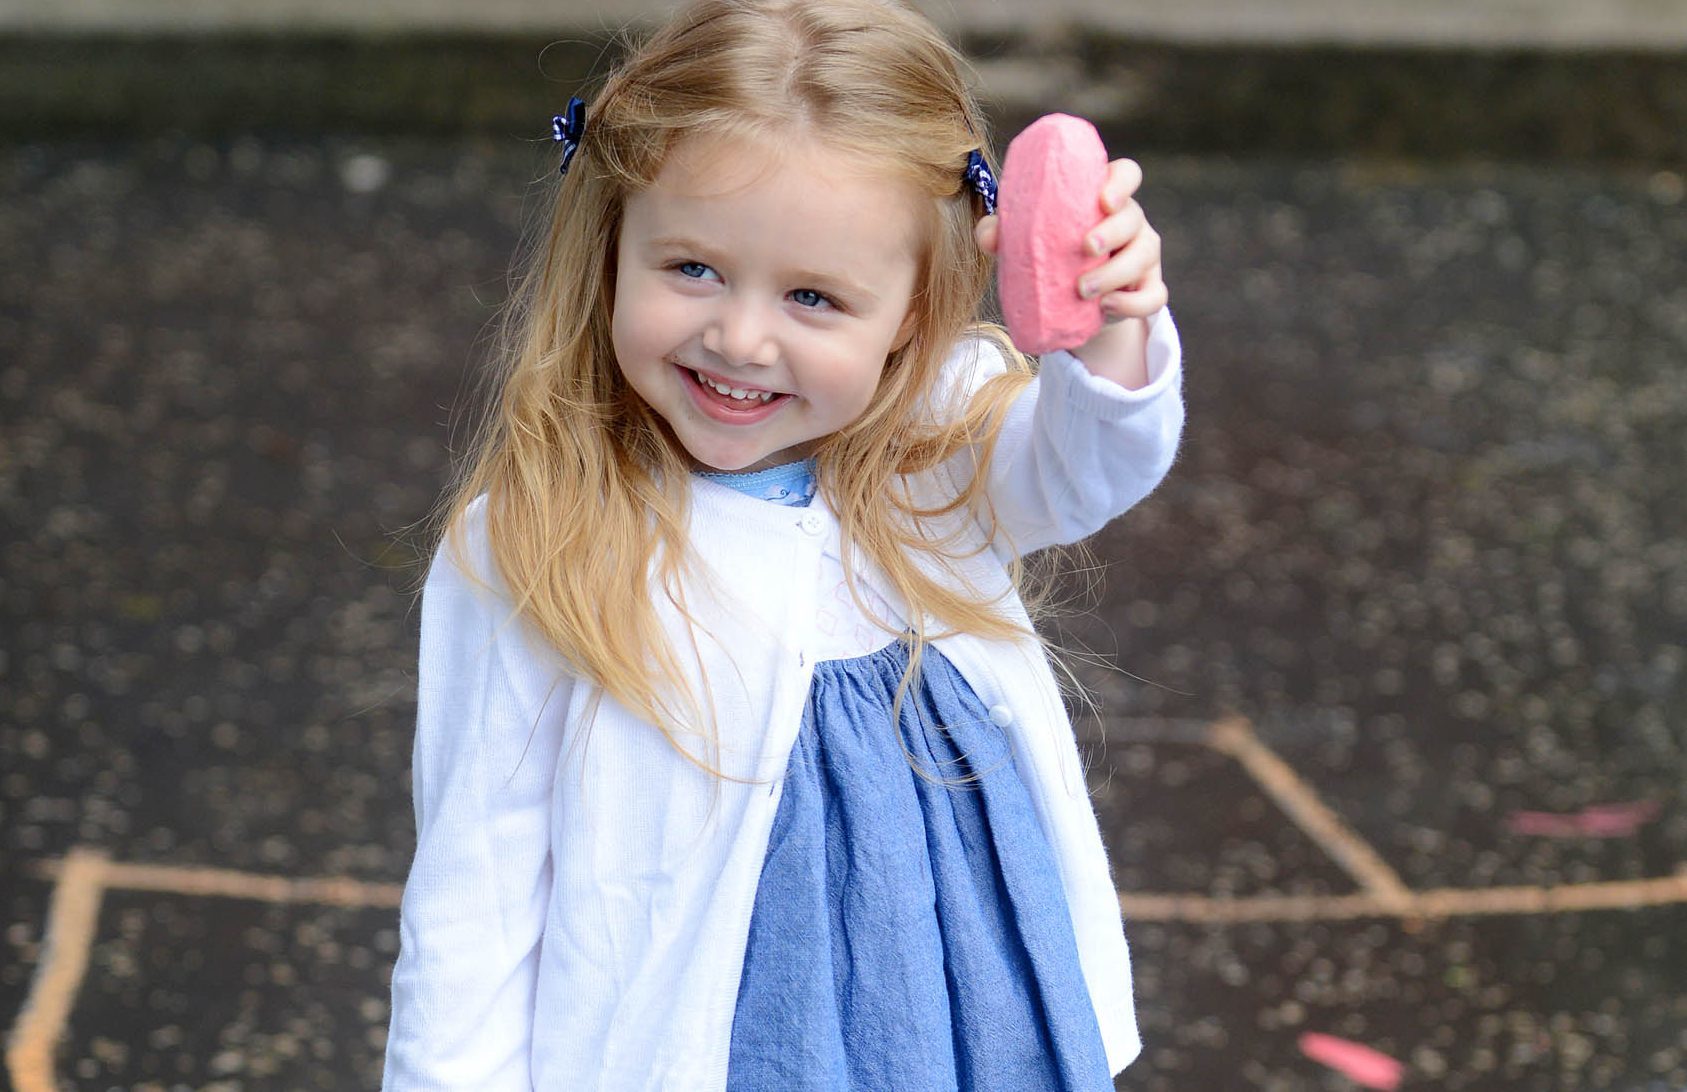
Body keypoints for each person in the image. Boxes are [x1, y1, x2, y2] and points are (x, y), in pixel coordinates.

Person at [381, 0, 1183, 1088]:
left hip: (952, 1030)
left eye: (813, 296)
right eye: (692, 269)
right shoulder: (539, 535)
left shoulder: (934, 439)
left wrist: (1112, 326)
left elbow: (1089, 465)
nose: (741, 338)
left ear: (909, 313)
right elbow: (476, 896)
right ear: (613, 240)